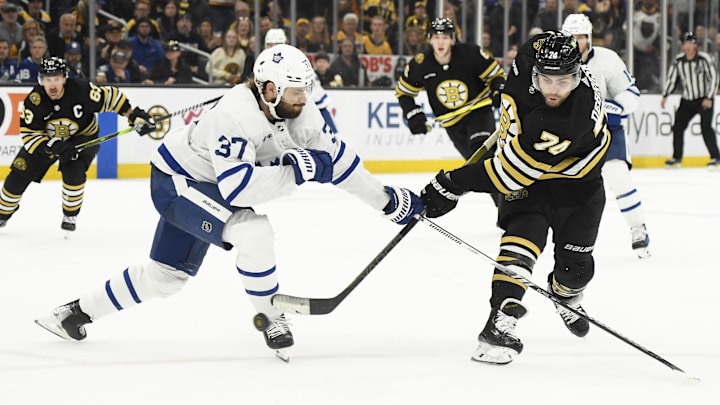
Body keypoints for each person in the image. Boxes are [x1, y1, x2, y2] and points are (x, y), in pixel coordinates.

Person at [33, 44, 424, 362]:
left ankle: (73, 313)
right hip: (178, 182)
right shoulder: (236, 115)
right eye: (295, 91)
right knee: (254, 231)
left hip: (207, 185)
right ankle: (270, 315)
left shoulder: (300, 111)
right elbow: (238, 190)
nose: (303, 98)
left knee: (165, 279)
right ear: (268, 89)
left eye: (306, 88)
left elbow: (336, 160)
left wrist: (387, 201)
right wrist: (298, 172)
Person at [419, 32, 609, 365]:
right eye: (547, 79)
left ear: (578, 75)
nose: (554, 89)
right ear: (534, 69)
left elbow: (509, 174)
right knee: (521, 240)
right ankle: (500, 321)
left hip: (577, 186)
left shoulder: (570, 118)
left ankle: (564, 292)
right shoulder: (529, 54)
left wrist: (452, 182)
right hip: (529, 179)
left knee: (575, 272)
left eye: (564, 81)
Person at [0, 57, 155, 231]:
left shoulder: (81, 90)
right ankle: (2, 213)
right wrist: (52, 146)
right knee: (17, 176)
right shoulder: (35, 101)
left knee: (74, 173)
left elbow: (111, 97)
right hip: (46, 142)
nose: (52, 85)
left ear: (65, 78)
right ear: (40, 80)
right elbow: (29, 134)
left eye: (57, 79)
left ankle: (70, 214)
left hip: (82, 138)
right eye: (47, 79)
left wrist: (133, 115)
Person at [562, 14, 650, 258]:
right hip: (573, 135)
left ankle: (637, 228)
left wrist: (615, 108)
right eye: (572, 37)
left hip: (607, 131)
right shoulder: (554, 62)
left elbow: (630, 94)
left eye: (581, 37)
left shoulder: (607, 59)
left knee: (618, 176)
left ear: (589, 38)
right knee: (565, 184)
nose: (577, 42)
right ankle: (565, 236)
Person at [395, 17, 506, 161]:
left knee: (481, 156)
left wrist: (498, 89)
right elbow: (404, 93)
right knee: (474, 165)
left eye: (445, 37)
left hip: (479, 114)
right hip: (452, 124)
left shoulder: (470, 54)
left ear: (453, 40)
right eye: (436, 37)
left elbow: (496, 75)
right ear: (429, 39)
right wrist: (412, 113)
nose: (440, 42)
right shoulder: (421, 64)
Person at [661, 32, 720, 169]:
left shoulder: (704, 59)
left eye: (691, 44)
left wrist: (709, 97)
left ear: (696, 46)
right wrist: (665, 95)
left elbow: (714, 78)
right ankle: (676, 158)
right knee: (678, 127)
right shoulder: (679, 61)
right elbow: (672, 79)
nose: (688, 47)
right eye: (686, 44)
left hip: (703, 98)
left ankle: (716, 157)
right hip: (687, 99)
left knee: (705, 127)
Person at [265, 28, 338, 133]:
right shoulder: (263, 65)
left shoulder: (297, 61)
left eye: (277, 44)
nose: (273, 48)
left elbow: (316, 97)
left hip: (300, 113)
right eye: (270, 44)